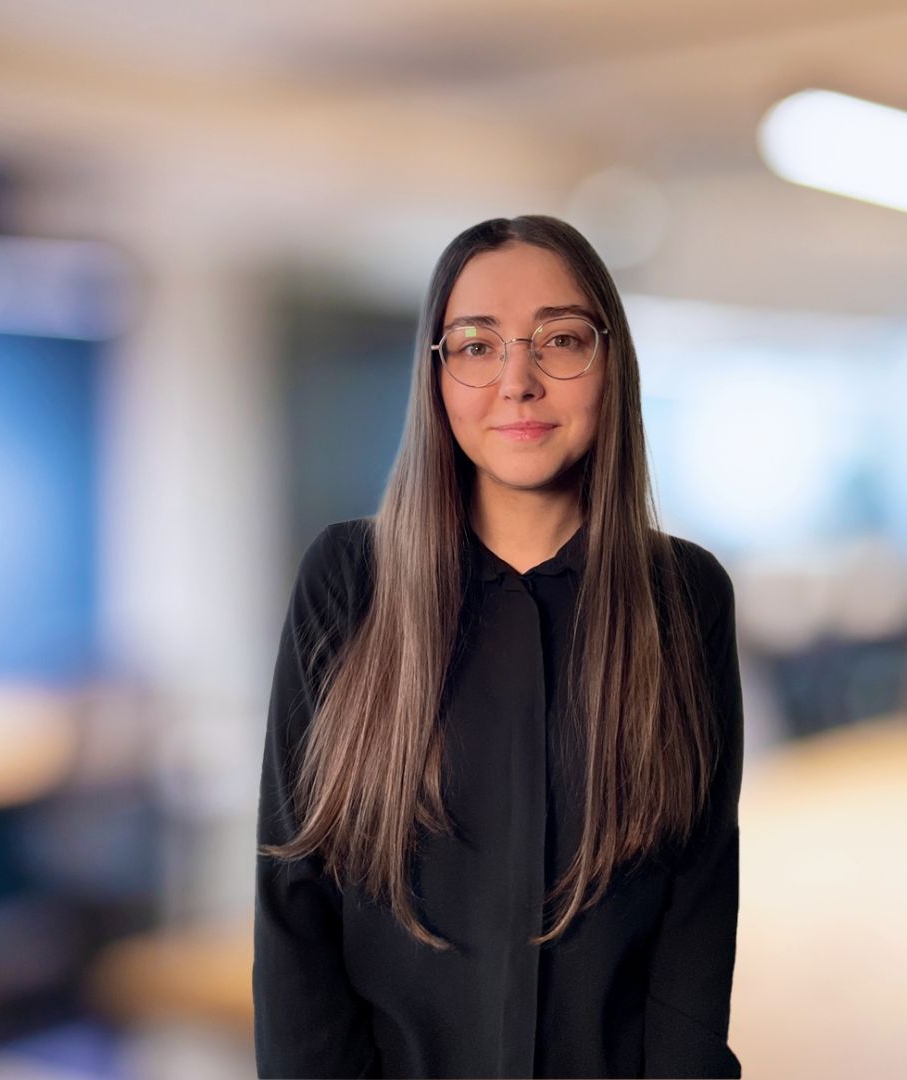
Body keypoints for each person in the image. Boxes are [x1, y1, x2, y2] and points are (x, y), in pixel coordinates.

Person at [253, 215, 744, 1079]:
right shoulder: (348, 581)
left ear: (611, 362)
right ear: (437, 375)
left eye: (559, 339)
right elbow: (296, 913)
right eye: (476, 346)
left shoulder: (685, 597)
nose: (517, 381)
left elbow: (697, 918)